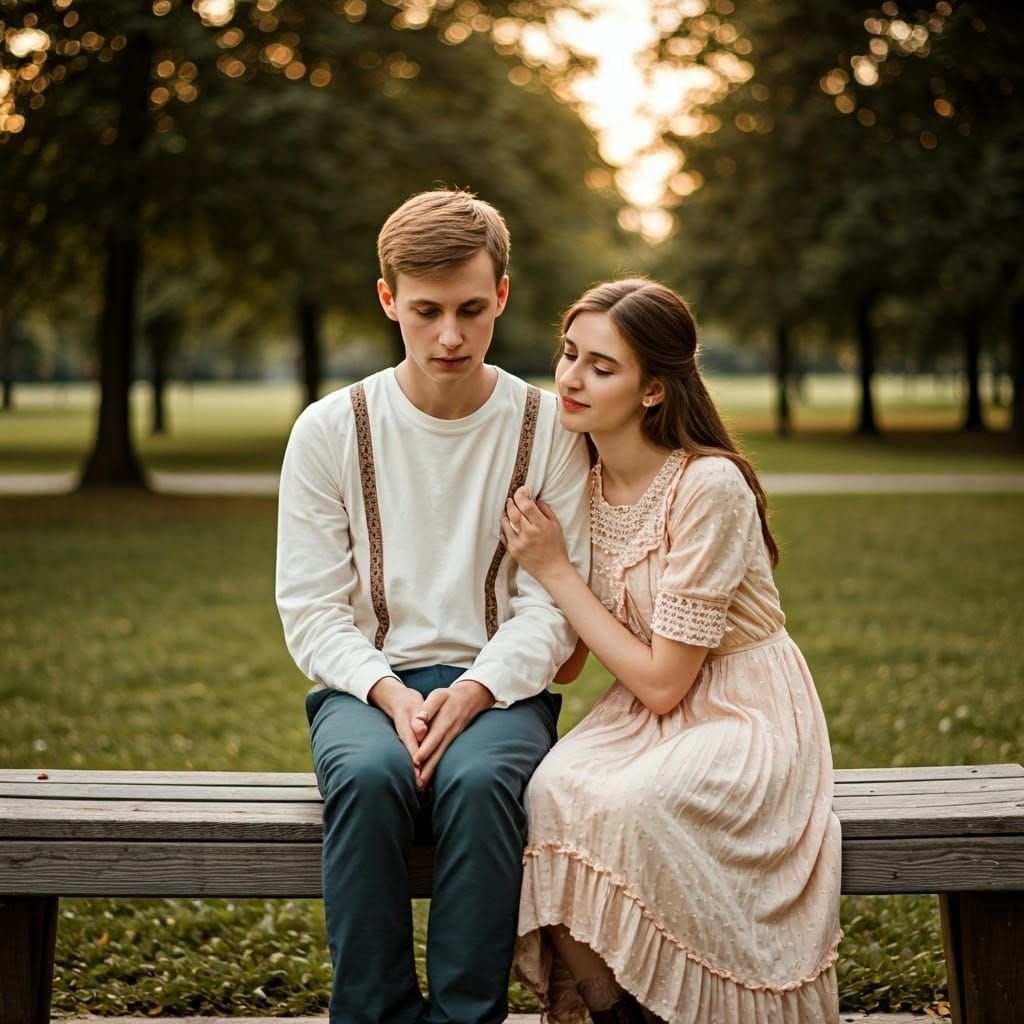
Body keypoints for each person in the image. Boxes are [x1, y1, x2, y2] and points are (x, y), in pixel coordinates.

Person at [275, 189, 591, 1024]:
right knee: (371, 776)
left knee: (484, 779)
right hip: (366, 687)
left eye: (471, 310)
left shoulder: (549, 428)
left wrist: (478, 691)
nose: (449, 335)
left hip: (502, 687)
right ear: (388, 300)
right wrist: (388, 693)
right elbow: (310, 609)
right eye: (425, 311)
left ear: (504, 296)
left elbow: (554, 604)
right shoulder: (329, 430)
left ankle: (463, 1019)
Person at [501, 279, 842, 1024]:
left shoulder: (708, 487)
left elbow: (665, 683)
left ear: (653, 389)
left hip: (739, 709)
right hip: (640, 709)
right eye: (567, 355)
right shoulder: (580, 480)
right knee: (549, 795)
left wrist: (556, 569)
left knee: (634, 805)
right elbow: (573, 662)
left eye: (601, 366)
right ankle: (620, 1014)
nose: (571, 377)